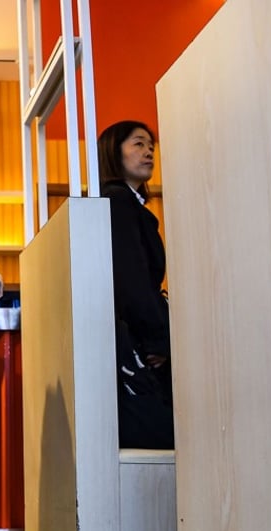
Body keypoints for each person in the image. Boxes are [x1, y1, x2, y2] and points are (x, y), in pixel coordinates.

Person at [97, 120, 174, 449]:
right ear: (115, 152)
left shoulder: (128, 203)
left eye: (151, 146)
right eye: (138, 144)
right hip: (135, 342)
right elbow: (131, 276)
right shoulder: (118, 201)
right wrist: (157, 339)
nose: (148, 152)